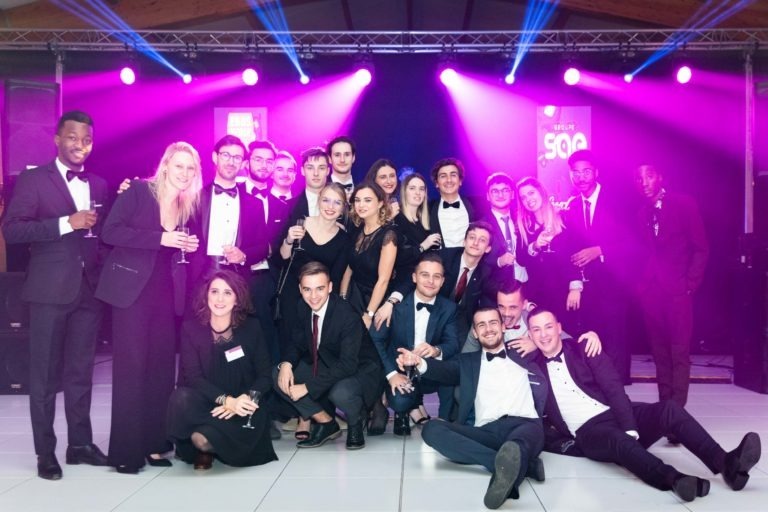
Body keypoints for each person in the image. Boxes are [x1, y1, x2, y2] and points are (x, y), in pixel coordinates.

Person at [527, 306, 761, 502]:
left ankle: (726, 463)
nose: (544, 335)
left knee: (669, 409)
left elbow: (614, 389)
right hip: (589, 432)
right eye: (536, 330)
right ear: (530, 335)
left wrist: (630, 427)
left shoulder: (584, 348)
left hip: (616, 413)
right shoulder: (531, 367)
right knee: (618, 439)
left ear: (559, 328)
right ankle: (675, 480)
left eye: (548, 327)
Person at [2, 110, 109, 480]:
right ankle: (44, 453)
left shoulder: (98, 183)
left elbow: (101, 236)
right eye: (73, 138)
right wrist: (67, 223)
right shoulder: (33, 180)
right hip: (48, 292)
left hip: (88, 292)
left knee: (80, 375)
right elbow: (13, 230)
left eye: (87, 140)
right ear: (58, 139)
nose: (80, 145)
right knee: (44, 377)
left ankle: (79, 444)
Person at [95, 141, 202, 474]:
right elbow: (109, 232)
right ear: (166, 164)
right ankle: (126, 451)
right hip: (131, 293)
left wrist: (187, 244)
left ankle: (155, 443)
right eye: (180, 165)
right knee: (131, 371)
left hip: (163, 294)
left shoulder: (187, 206)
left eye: (191, 168)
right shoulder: (139, 192)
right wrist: (161, 239)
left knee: (159, 370)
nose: (184, 173)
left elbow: (175, 252)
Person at [396, 307, 547, 509]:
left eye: (493, 322)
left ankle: (509, 465)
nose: (488, 329)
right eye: (481, 325)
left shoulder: (524, 352)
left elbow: (556, 342)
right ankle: (519, 465)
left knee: (517, 445)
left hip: (525, 424)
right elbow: (443, 370)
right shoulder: (467, 362)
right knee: (432, 429)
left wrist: (587, 337)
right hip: (486, 430)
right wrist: (418, 362)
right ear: (475, 333)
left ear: (503, 326)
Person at [167, 270, 278, 470]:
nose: (220, 299)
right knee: (180, 398)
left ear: (237, 299)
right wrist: (226, 401)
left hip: (241, 404)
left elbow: (264, 375)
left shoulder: (252, 327)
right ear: (206, 295)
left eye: (228, 293)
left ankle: (207, 445)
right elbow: (193, 377)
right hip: (207, 402)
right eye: (214, 291)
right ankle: (205, 443)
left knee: (201, 439)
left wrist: (243, 400)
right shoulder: (191, 329)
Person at [274, 262, 384, 449]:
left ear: (330, 287)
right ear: (300, 289)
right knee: (278, 376)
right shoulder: (302, 306)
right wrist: (286, 364)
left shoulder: (347, 315)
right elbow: (297, 342)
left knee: (340, 393)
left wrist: (307, 387)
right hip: (328, 363)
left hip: (360, 370)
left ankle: (356, 421)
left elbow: (348, 365)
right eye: (307, 289)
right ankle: (326, 423)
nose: (313, 296)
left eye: (320, 288)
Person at [278, 183, 350, 438]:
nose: (331, 207)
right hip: (294, 299)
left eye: (337, 203)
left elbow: (339, 274)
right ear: (319, 200)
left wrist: (337, 305)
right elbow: (282, 257)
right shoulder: (301, 224)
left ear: (343, 208)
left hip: (321, 300)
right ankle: (304, 418)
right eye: (327, 200)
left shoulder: (343, 237)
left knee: (318, 353)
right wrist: (288, 238)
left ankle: (317, 411)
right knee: (296, 351)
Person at [633, 164, 709, 407]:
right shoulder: (641, 212)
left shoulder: (683, 204)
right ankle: (665, 411)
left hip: (678, 291)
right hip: (651, 293)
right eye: (639, 178)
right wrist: (641, 286)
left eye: (649, 176)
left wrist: (690, 284)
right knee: (659, 354)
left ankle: (677, 416)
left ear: (660, 177)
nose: (644, 182)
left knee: (679, 353)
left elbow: (701, 247)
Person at [562, 149, 632, 383]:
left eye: (586, 171)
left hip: (615, 286)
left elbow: (634, 242)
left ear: (596, 173)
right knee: (590, 341)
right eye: (576, 172)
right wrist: (575, 284)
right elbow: (570, 250)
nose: (581, 177)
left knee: (615, 342)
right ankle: (595, 395)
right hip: (587, 289)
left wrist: (600, 251)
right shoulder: (571, 207)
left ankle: (619, 400)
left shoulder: (618, 202)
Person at [370, 253, 459, 430]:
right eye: (425, 275)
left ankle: (444, 422)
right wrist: (391, 375)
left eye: (436, 277)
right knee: (400, 402)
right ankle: (404, 406)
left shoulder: (449, 308)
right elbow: (375, 340)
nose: (430, 281)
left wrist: (435, 350)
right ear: (414, 277)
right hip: (400, 369)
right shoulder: (393, 306)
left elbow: (453, 343)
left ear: (442, 281)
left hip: (429, 368)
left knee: (451, 369)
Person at [462, 278, 602, 359]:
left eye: (513, 307)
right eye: (501, 306)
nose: (506, 313)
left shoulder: (535, 318)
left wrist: (538, 343)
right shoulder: (486, 322)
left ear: (524, 305)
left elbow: (567, 342)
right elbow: (466, 358)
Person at [374, 173, 442, 326]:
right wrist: (423, 246)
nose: (418, 193)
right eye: (412, 188)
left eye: (421, 189)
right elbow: (398, 258)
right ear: (404, 192)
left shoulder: (425, 221)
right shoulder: (396, 219)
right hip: (399, 286)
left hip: (421, 287)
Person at [515, 176, 580, 326]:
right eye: (523, 197)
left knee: (567, 336)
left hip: (564, 292)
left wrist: (575, 287)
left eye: (531, 193)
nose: (528, 199)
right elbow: (521, 259)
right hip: (538, 294)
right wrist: (535, 246)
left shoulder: (563, 217)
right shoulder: (524, 227)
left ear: (541, 192)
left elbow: (575, 252)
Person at [339, 182, 398, 330]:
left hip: (374, 301)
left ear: (380, 203)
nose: (361, 205)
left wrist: (369, 314)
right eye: (357, 200)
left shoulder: (388, 235)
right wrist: (343, 298)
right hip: (353, 296)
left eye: (367, 200)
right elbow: (349, 267)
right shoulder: (357, 229)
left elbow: (383, 281)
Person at [439, 221, 496, 346]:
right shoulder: (444, 257)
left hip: (461, 322)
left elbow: (496, 295)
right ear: (464, 241)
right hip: (434, 312)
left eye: (482, 240)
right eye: (472, 238)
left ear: (488, 248)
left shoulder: (486, 272)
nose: (475, 243)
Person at [428, 158, 482, 250]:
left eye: (453, 175)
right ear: (436, 183)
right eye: (443, 176)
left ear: (460, 181)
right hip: (441, 262)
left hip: (470, 261)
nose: (449, 180)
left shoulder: (476, 206)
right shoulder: (428, 209)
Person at [484, 172, 527, 282]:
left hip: (526, 285)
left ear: (512, 194)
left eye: (505, 190)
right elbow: (475, 258)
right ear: (488, 196)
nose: (500, 195)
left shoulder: (524, 220)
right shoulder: (481, 225)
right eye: (495, 191)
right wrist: (498, 261)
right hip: (496, 290)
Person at [288, 147, 332, 222]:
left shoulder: (340, 204)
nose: (316, 173)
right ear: (302, 171)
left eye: (321, 168)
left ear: (328, 171)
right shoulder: (289, 206)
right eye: (310, 168)